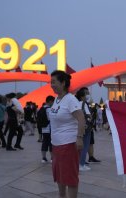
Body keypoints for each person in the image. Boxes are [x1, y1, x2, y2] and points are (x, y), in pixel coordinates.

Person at [49, 70, 85, 198]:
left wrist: (79, 138)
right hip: (57, 145)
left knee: (70, 177)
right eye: (50, 82)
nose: (51, 85)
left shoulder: (70, 99)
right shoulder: (57, 100)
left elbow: (81, 119)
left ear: (63, 83)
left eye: (54, 82)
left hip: (69, 144)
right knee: (59, 175)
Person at [39, 95, 55, 163]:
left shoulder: (41, 108)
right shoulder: (49, 109)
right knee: (51, 144)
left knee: (44, 143)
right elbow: (50, 119)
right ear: (50, 101)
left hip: (43, 129)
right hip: (49, 129)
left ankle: (43, 158)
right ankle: (52, 158)